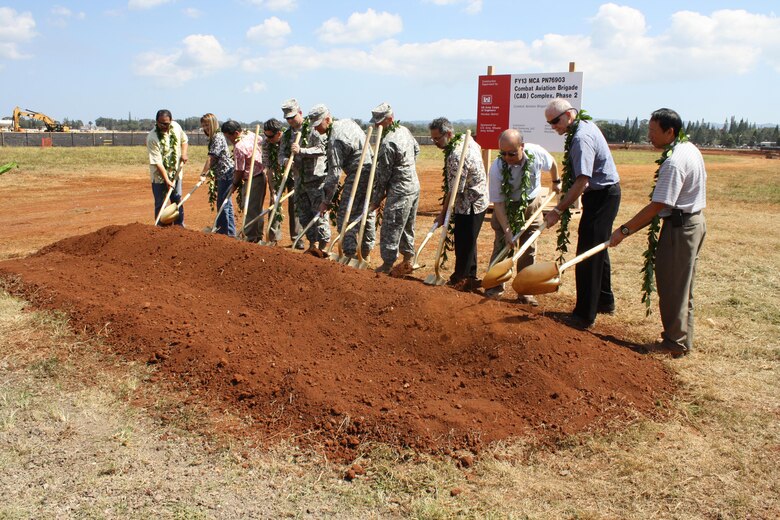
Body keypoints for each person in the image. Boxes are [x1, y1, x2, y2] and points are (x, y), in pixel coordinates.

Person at [609, 108, 706, 357]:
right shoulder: (689, 148)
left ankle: (674, 343)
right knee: (683, 286)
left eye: (653, 131)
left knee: (673, 285)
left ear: (669, 131)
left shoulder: (673, 162)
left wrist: (624, 230)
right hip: (693, 223)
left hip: (680, 229)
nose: (649, 136)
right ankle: (682, 339)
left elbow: (658, 205)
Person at [544, 99, 621, 329]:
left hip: (602, 196)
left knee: (587, 252)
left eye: (555, 121)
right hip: (604, 194)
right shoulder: (583, 126)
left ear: (569, 115)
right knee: (598, 247)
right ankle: (604, 301)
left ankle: (584, 315)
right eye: (550, 123)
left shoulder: (580, 138)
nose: (554, 126)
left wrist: (558, 210)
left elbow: (582, 181)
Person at [486, 129, 561, 304]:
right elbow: (498, 203)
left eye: (511, 153)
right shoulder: (497, 168)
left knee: (529, 247)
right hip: (507, 205)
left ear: (522, 146)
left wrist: (556, 182)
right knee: (502, 245)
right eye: (502, 153)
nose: (507, 157)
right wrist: (507, 230)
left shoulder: (535, 153)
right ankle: (494, 287)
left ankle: (525, 291)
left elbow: (553, 163)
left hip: (532, 203)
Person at [302, 104, 375, 261]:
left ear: (327, 119)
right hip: (372, 170)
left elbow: (334, 174)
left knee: (345, 214)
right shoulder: (347, 122)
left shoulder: (334, 139)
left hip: (358, 174)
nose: (316, 130)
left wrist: (326, 201)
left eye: (318, 125)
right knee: (365, 212)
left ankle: (350, 255)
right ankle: (366, 253)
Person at [429, 117, 488, 291]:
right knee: (470, 241)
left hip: (470, 203)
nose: (434, 142)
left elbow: (454, 191)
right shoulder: (466, 139)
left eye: (437, 139)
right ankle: (470, 277)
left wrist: (442, 213)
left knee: (464, 242)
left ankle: (460, 279)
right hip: (479, 198)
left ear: (448, 134)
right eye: (432, 139)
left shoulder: (456, 155)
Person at [367, 102, 420, 276]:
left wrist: (376, 200)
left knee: (391, 226)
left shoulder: (388, 143)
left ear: (390, 119)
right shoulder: (404, 130)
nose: (376, 125)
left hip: (400, 191)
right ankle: (407, 260)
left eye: (380, 122)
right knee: (406, 226)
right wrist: (407, 168)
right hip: (413, 186)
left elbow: (383, 176)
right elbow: (416, 150)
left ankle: (388, 264)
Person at [221, 119, 268, 243]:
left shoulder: (239, 147)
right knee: (257, 208)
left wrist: (235, 184)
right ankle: (257, 236)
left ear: (236, 133)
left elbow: (239, 170)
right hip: (261, 176)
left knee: (250, 209)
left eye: (229, 137)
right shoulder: (252, 135)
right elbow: (261, 141)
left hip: (252, 179)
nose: (229, 140)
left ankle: (251, 238)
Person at [147, 109, 188, 226]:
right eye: (161, 123)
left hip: (176, 173)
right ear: (156, 122)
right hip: (159, 177)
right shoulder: (152, 137)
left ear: (171, 120)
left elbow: (184, 140)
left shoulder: (176, 127)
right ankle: (161, 229)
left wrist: (184, 153)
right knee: (161, 204)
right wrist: (167, 180)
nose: (164, 126)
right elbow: (157, 162)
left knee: (177, 200)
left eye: (166, 123)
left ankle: (179, 227)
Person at [276, 99, 307, 249]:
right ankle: (297, 239)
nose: (290, 121)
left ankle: (317, 242)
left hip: (312, 176)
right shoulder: (287, 134)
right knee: (294, 208)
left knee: (314, 207)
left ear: (300, 113)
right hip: (295, 177)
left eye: (292, 117)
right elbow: (280, 155)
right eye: (287, 118)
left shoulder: (311, 129)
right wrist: (286, 161)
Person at [199, 113, 236, 236]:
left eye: (207, 124)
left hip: (226, 173)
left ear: (213, 123)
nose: (205, 127)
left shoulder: (218, 137)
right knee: (226, 203)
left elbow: (212, 158)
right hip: (222, 173)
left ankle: (225, 232)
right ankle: (229, 232)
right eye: (203, 125)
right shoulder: (214, 137)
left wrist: (204, 173)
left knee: (223, 203)